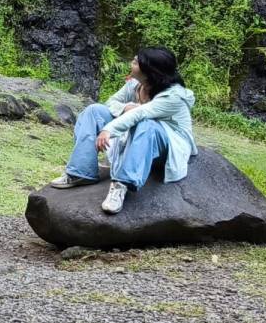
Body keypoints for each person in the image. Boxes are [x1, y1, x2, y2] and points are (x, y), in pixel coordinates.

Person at [51, 47, 196, 214]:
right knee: (94, 111)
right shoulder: (136, 85)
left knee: (146, 124)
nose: (131, 63)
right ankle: (81, 173)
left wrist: (108, 130)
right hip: (134, 132)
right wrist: (126, 106)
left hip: (166, 144)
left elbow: (140, 114)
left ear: (149, 70)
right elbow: (111, 103)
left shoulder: (174, 96)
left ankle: (121, 185)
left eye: (135, 62)